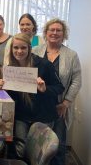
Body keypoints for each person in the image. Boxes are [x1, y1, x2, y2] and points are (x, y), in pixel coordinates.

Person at [0, 33, 64, 159]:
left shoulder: (45, 65)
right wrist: (4, 87)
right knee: (21, 149)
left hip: (43, 115)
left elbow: (59, 87)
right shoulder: (11, 68)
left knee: (40, 154)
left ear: (29, 48)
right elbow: (14, 95)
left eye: (23, 48)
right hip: (22, 116)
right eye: (16, 48)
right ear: (11, 49)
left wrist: (45, 89)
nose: (19, 51)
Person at [33, 19, 82, 165]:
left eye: (58, 30)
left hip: (60, 107)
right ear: (46, 32)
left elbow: (76, 81)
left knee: (59, 144)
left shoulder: (71, 55)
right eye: (51, 30)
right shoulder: (35, 51)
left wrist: (66, 103)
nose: (54, 33)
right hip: (38, 105)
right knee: (38, 142)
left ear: (64, 34)